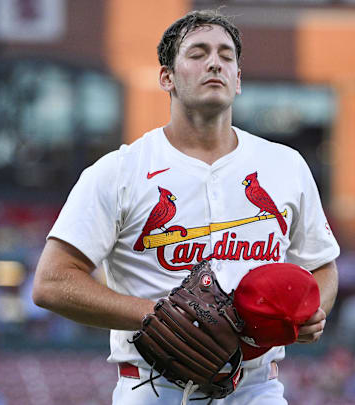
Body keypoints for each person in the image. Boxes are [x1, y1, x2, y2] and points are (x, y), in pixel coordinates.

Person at [32, 9, 339, 404]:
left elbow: (322, 266)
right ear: (167, 78)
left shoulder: (285, 166)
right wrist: (153, 314)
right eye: (197, 53)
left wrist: (310, 311)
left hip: (256, 388)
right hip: (153, 387)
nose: (215, 62)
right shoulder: (120, 171)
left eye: (226, 56)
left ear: (238, 79)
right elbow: (51, 282)